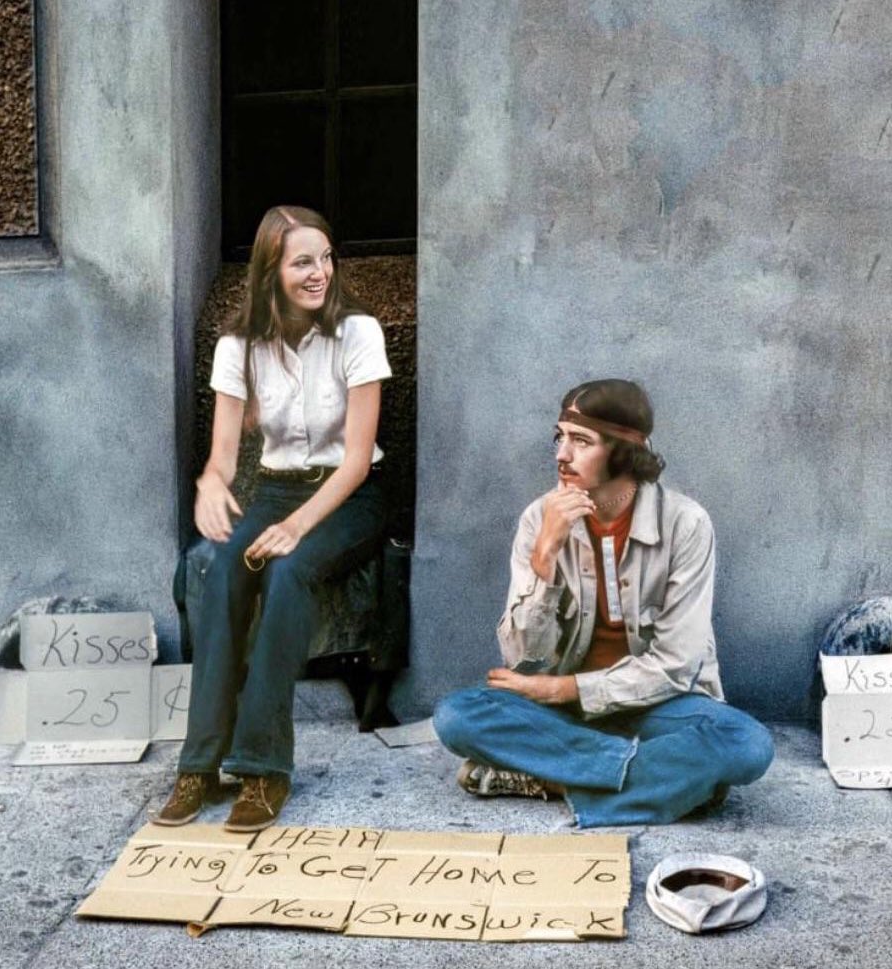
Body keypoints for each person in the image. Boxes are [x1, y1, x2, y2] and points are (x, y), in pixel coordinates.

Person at [433, 379, 773, 827]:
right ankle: (669, 784)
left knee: (746, 744)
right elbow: (523, 658)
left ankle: (556, 780)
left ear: (624, 450)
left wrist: (562, 689)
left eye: (580, 441)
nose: (561, 455)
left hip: (656, 707)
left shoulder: (686, 524)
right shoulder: (540, 518)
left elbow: (676, 664)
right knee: (456, 716)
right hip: (564, 715)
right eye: (560, 438)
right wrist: (544, 558)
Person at [155, 205, 391, 831]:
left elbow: (359, 462)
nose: (321, 273)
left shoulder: (359, 333)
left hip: (350, 496)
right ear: (271, 271)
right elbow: (226, 453)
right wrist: (210, 484)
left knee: (289, 573)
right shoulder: (239, 346)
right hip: (277, 491)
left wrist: (299, 528)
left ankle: (263, 770)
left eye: (326, 258)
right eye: (303, 262)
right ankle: (199, 765)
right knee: (222, 570)